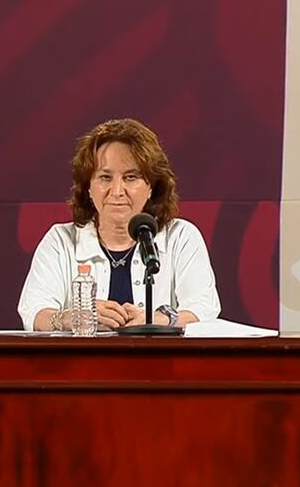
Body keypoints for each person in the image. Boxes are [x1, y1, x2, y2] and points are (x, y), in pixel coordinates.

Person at [18, 118, 220, 331]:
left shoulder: (181, 237)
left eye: (130, 177)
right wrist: (72, 318)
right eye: (105, 177)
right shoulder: (60, 241)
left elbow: (203, 310)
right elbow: (34, 313)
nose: (117, 191)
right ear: (88, 187)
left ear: (151, 186)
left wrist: (155, 320)